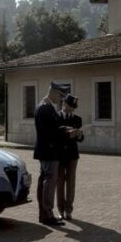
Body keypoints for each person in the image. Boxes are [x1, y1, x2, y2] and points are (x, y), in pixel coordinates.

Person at [34, 82, 69, 226]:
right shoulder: (46, 108)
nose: (61, 99)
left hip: (45, 150)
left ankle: (43, 213)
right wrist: (66, 131)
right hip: (49, 151)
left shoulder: (42, 106)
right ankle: (48, 214)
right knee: (49, 182)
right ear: (53, 92)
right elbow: (51, 132)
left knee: (44, 181)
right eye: (60, 96)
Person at [56, 94, 84, 221]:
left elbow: (81, 139)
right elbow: (55, 135)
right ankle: (60, 210)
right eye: (71, 106)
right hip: (60, 154)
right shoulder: (56, 117)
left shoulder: (77, 119)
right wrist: (68, 134)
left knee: (71, 182)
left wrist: (78, 135)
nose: (72, 109)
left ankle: (69, 210)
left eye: (74, 107)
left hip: (73, 155)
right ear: (64, 104)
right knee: (60, 182)